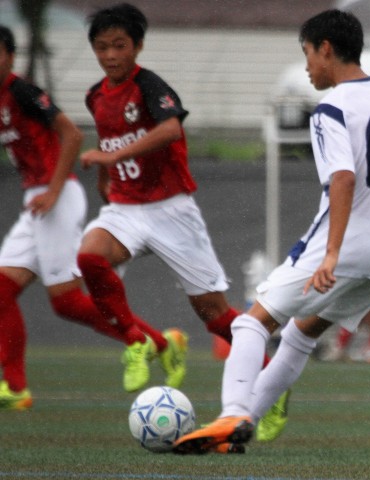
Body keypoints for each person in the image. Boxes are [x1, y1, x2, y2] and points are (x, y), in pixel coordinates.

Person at [173, 9, 370, 454]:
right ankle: (240, 430)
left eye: (306, 54)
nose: (306, 67)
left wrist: (332, 253)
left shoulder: (331, 109)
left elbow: (342, 178)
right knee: (301, 333)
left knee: (251, 323)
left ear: (325, 48)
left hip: (349, 243)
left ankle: (232, 413)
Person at [77, 3, 238, 395]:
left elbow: (168, 130)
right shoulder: (96, 95)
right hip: (126, 208)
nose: (111, 55)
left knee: (214, 316)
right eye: (102, 47)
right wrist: (105, 174)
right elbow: (108, 139)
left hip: (172, 209)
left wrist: (114, 157)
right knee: (89, 258)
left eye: (119, 45)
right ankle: (139, 341)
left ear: (138, 46)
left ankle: (272, 373)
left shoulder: (150, 85)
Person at [0, 25, 135, 410]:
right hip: (37, 200)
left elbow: (72, 135)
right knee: (2, 291)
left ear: (9, 56)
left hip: (57, 196)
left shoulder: (21, 91)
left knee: (68, 301)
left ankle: (152, 341)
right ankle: (16, 388)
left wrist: (54, 191)